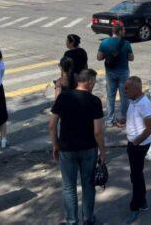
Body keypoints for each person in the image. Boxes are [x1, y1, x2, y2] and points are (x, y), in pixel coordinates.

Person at [49, 69, 105, 225]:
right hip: (88, 149)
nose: (95, 85)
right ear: (89, 82)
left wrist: (55, 145)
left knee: (68, 187)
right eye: (95, 82)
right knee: (88, 185)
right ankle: (88, 219)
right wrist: (103, 151)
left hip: (66, 149)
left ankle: (72, 221)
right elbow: (98, 131)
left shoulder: (63, 98)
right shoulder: (94, 101)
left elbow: (52, 126)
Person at [124, 77, 151, 224]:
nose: (124, 91)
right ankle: (142, 202)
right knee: (136, 174)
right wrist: (124, 121)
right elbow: (136, 120)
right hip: (134, 143)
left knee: (136, 177)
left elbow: (150, 127)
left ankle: (134, 207)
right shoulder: (134, 101)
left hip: (139, 145)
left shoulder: (144, 104)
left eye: (127, 88)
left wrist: (136, 141)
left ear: (137, 89)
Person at [97, 23, 134, 127]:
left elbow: (99, 57)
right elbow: (131, 58)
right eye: (124, 30)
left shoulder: (104, 42)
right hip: (123, 72)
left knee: (110, 96)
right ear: (120, 31)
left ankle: (109, 120)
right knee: (124, 96)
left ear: (113, 31)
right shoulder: (126, 43)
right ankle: (123, 118)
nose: (125, 32)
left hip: (110, 72)